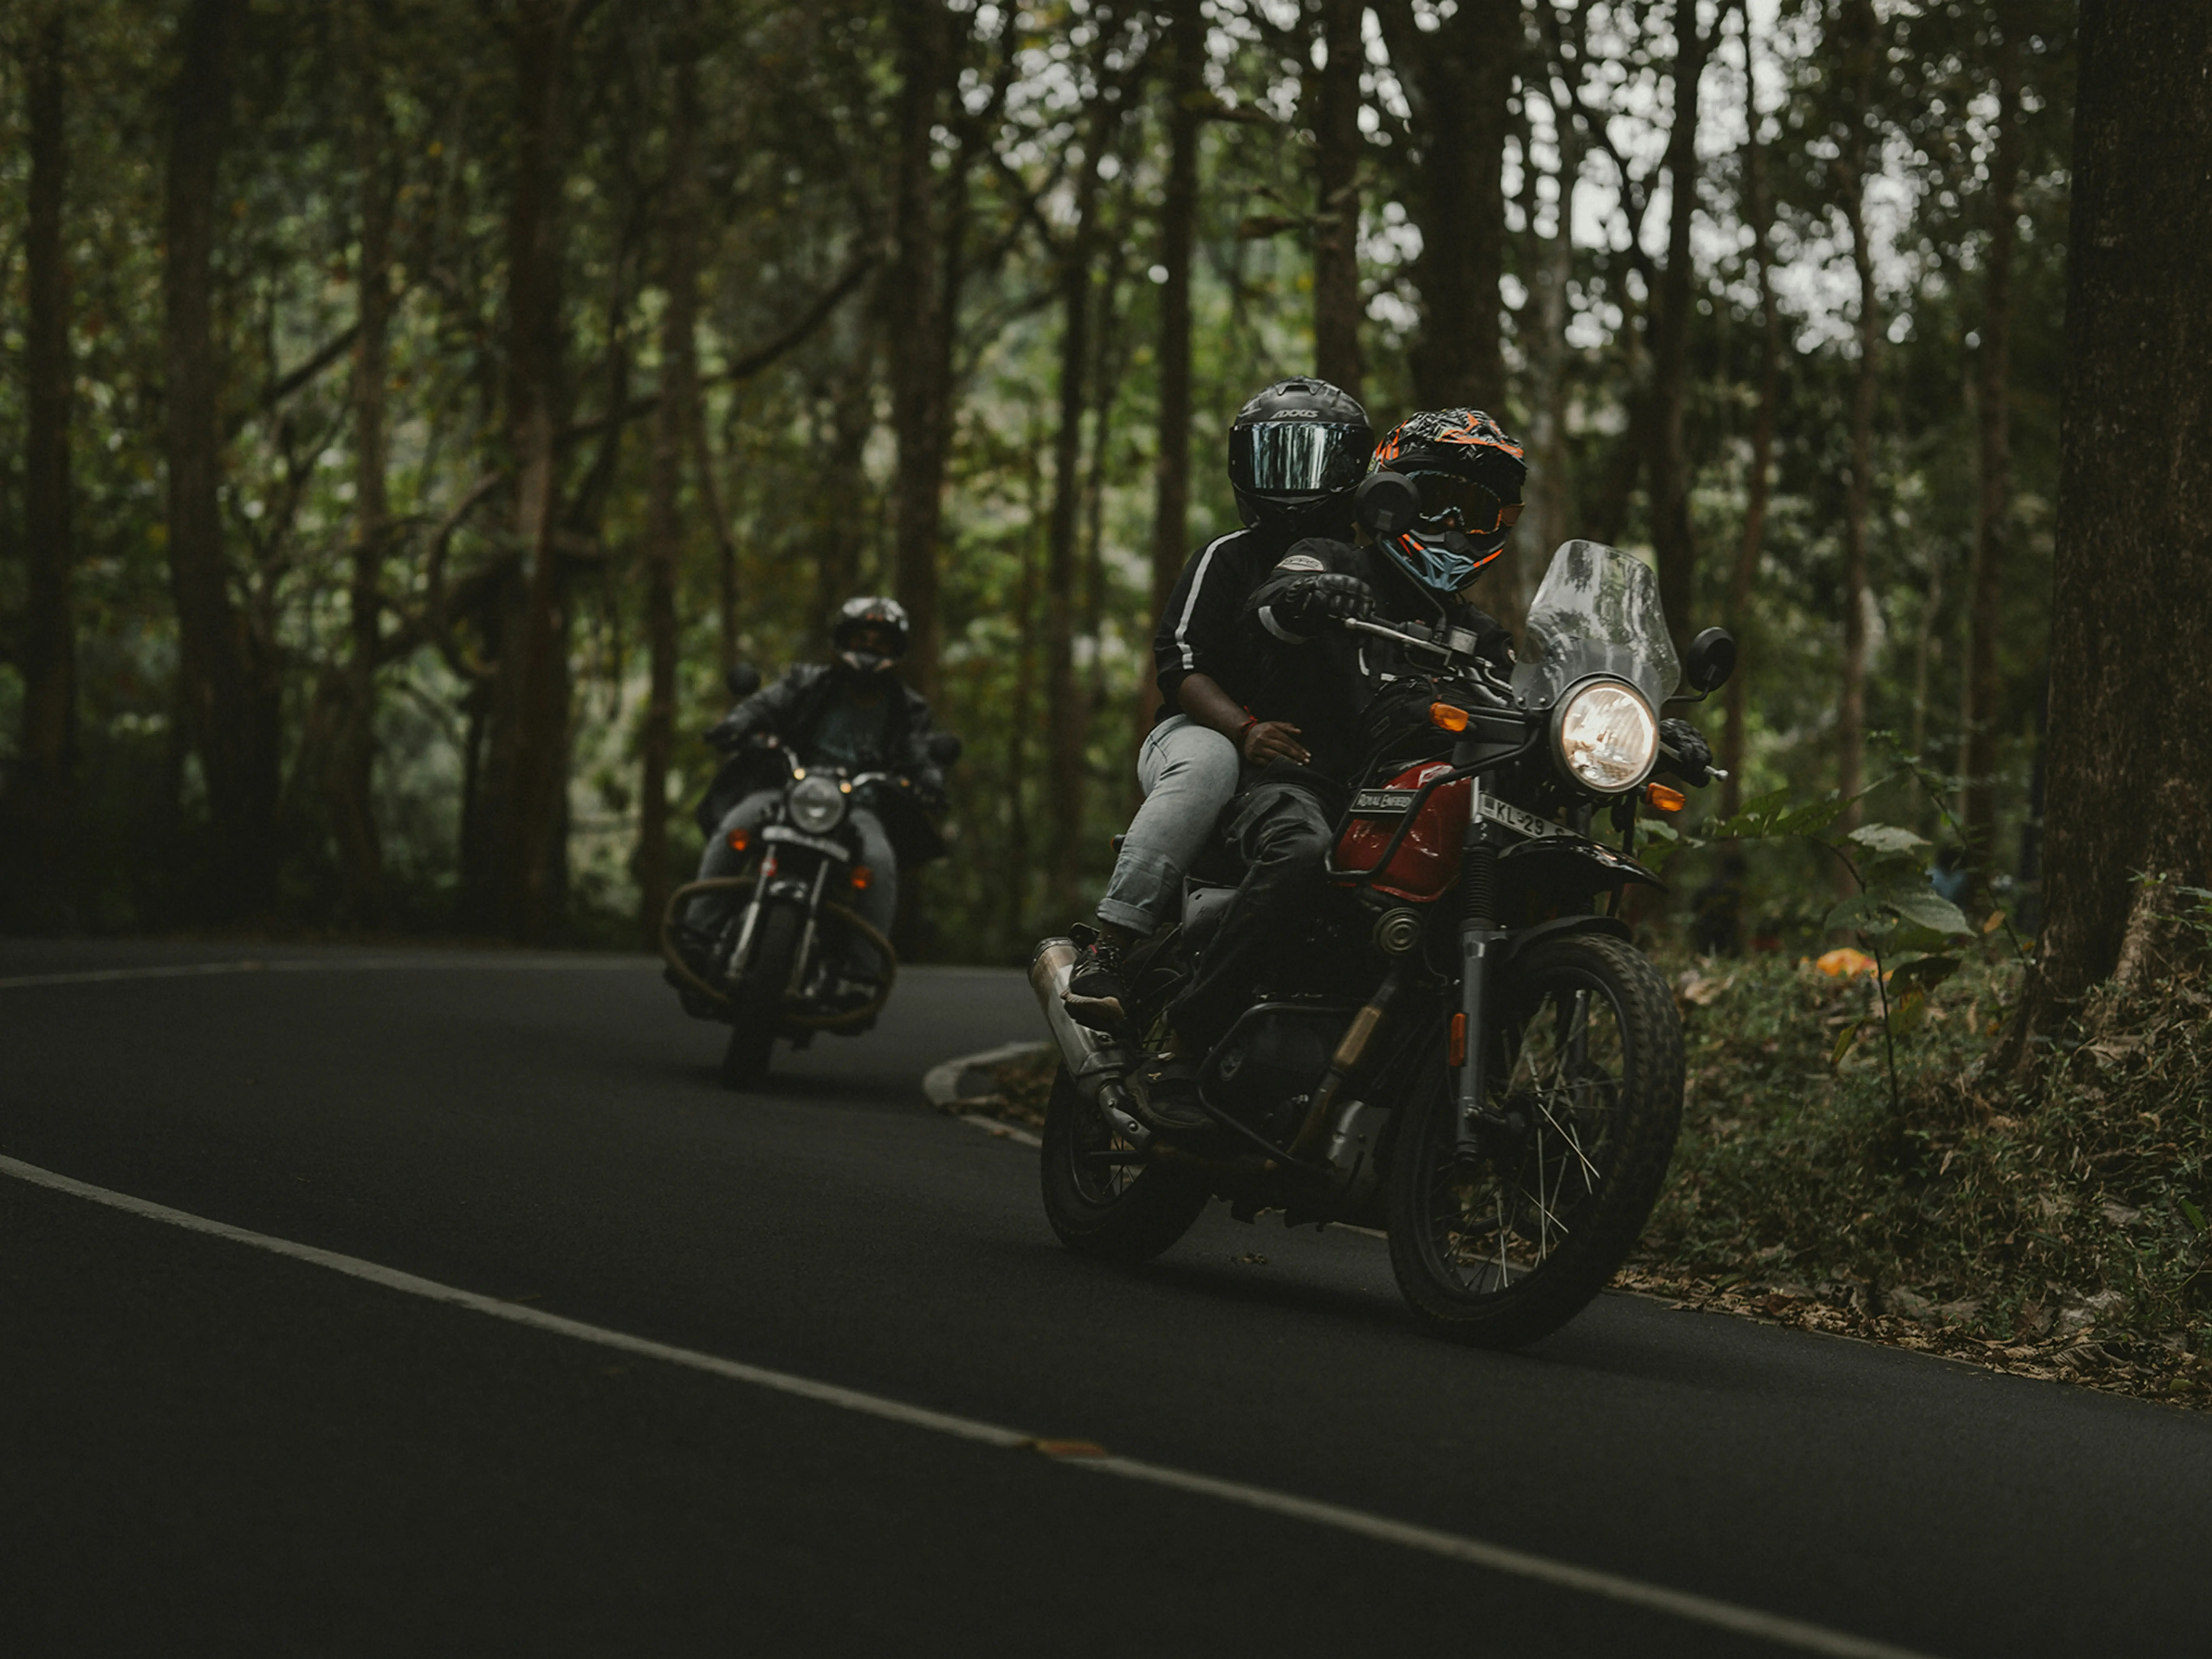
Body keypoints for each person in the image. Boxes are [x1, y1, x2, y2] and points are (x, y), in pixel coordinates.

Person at [1130, 408, 1530, 1129]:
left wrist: (1639, 724)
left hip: (1407, 807)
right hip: (1302, 781)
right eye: (1435, 500)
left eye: (1473, 511)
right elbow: (1271, 605)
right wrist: (1303, 599)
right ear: (1391, 497)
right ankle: (1184, 1045)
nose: (1450, 525)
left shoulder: (1480, 635)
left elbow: (1531, 701)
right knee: (1301, 848)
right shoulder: (1330, 559)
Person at [1064, 377, 1375, 1027]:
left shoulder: (1366, 568)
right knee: (1209, 766)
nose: (1292, 482)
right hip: (1200, 729)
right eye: (1275, 459)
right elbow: (1179, 665)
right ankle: (1109, 947)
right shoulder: (1226, 556)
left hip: (1306, 752)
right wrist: (1242, 729)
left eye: (1314, 461)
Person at [688, 596, 945, 992]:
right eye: (861, 638)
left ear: (896, 649)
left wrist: (927, 780)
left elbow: (919, 753)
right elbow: (762, 706)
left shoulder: (907, 709)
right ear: (842, 639)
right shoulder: (807, 682)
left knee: (879, 862)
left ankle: (861, 975)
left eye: (880, 641)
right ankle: (697, 935)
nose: (870, 647)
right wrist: (738, 726)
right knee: (736, 827)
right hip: (788, 791)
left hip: (858, 808)